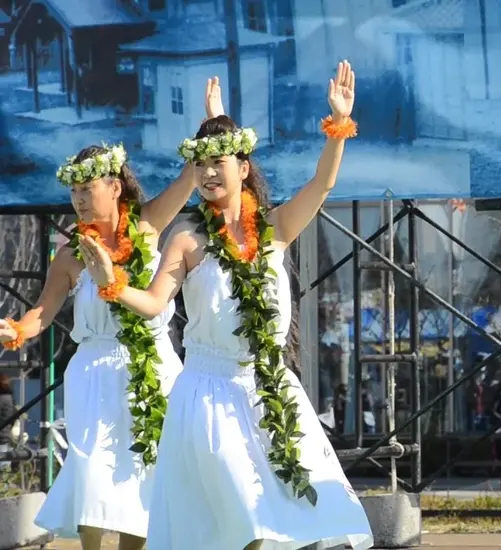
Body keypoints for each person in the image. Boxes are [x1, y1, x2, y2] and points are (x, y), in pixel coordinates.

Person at [77, 60, 372, 550]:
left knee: (290, 516)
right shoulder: (189, 239)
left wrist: (338, 125)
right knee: (243, 522)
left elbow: (322, 185)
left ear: (243, 166)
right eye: (200, 165)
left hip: (269, 389)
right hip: (209, 396)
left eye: (218, 163)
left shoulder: (275, 229)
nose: (208, 173)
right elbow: (152, 303)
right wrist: (111, 283)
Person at [0, 78, 221, 550]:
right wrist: (18, 329)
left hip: (152, 367)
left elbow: (190, 177)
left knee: (145, 473)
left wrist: (210, 124)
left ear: (114, 186)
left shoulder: (147, 227)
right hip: (94, 372)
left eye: (87, 188)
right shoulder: (70, 256)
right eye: (74, 191)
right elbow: (42, 312)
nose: (78, 199)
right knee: (93, 474)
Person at [0, 374, 15, 471]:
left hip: (1, 437)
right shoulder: (9, 397)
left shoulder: (2, 398)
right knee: (4, 471)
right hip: (5, 437)